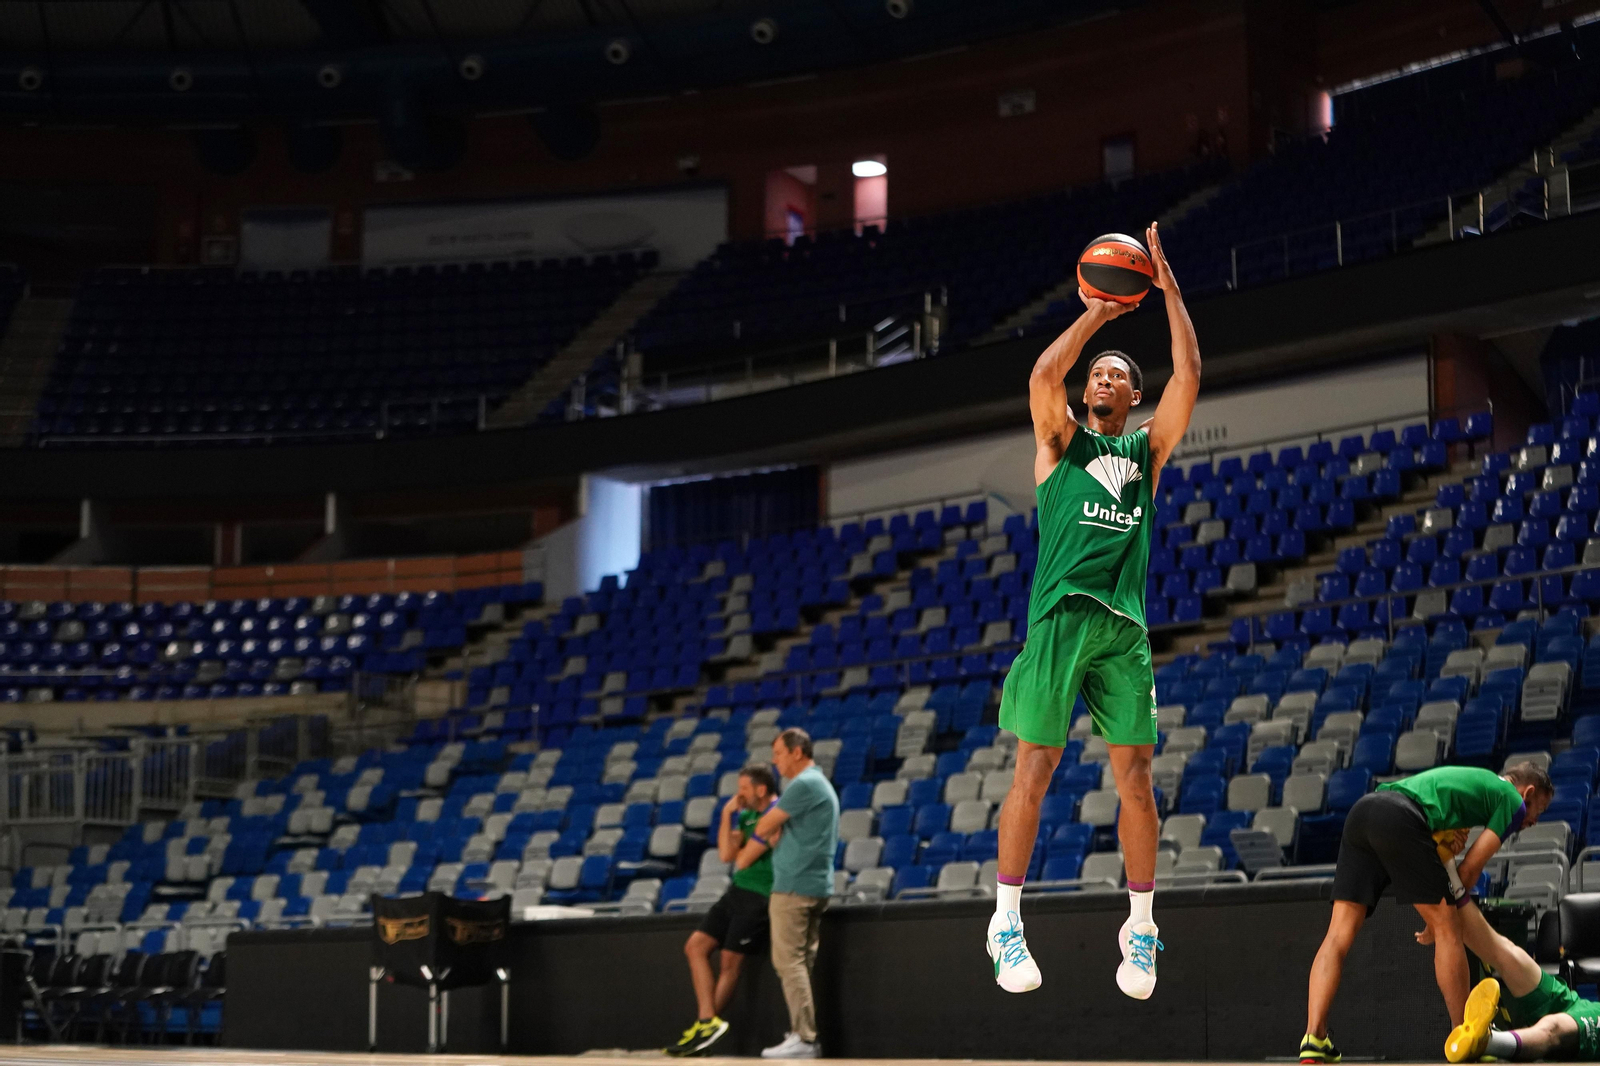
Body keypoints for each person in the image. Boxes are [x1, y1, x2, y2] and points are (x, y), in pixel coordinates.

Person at [989, 221, 1200, 999]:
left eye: (1119, 375)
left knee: (1137, 781)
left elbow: (1190, 376)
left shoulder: (1145, 453)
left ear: (1133, 396)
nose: (1106, 378)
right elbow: (1044, 373)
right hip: (1056, 623)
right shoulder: (1060, 442)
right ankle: (1005, 916)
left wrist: (1170, 295)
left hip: (1121, 630)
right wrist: (1098, 316)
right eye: (1100, 374)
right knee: (1034, 768)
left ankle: (1141, 928)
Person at [1299, 762, 1554, 1064]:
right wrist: (1439, 918)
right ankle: (1466, 1036)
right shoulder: (1512, 803)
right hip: (1399, 815)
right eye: (1540, 809)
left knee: (1338, 935)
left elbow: (1430, 845)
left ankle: (1314, 1037)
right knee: (1449, 928)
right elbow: (1470, 870)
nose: (1534, 820)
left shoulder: (1477, 785)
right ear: (1528, 793)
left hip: (1364, 812)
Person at [735, 728, 839, 1060]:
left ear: (797, 752)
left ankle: (805, 1038)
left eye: (779, 753)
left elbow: (765, 826)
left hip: (794, 887)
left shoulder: (804, 783)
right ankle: (801, 1033)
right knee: (800, 963)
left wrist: (765, 826)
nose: (775, 760)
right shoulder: (816, 784)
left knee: (788, 962)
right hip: (812, 884)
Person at [665, 764, 781, 1057]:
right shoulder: (746, 815)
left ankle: (705, 1029)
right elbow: (727, 855)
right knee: (695, 947)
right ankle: (707, 1021)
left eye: (744, 788)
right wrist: (727, 814)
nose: (739, 794)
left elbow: (744, 859)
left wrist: (743, 849)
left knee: (730, 962)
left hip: (759, 896)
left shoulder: (776, 813)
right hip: (736, 892)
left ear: (761, 789)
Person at [1441, 897, 1600, 1062]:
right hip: (1573, 1001)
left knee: (1553, 1029)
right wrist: (1439, 921)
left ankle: (1486, 1041)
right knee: (1506, 952)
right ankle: (1452, 888)